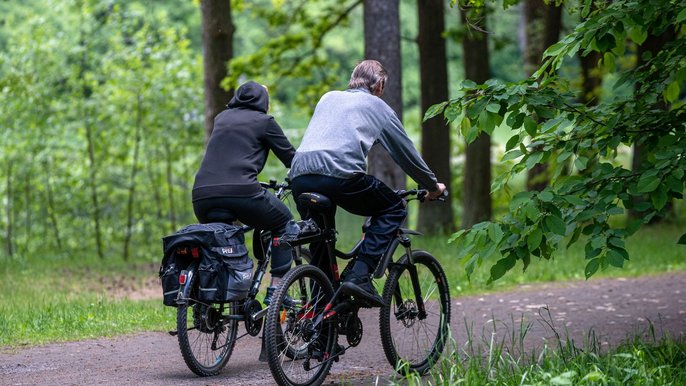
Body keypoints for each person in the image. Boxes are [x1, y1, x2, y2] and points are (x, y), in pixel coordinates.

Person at [289, 60, 446, 307]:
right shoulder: (378, 106)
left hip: (299, 176)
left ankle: (320, 334)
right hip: (339, 176)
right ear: (380, 84)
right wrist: (433, 186)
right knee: (393, 207)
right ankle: (359, 275)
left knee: (321, 246)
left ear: (353, 79)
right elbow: (407, 155)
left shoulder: (328, 98)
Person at [192, 80, 295, 306]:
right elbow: (291, 158)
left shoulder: (221, 118)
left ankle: (227, 299)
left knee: (227, 241)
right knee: (285, 224)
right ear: (263, 102)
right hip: (242, 191)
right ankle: (277, 290)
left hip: (202, 196)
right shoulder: (264, 121)